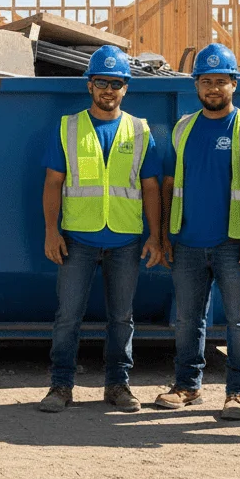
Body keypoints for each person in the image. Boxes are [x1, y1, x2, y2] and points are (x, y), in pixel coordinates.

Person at [152, 44, 240, 421]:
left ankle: (238, 392)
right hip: (188, 242)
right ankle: (187, 386)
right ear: (196, 85)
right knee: (188, 319)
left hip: (234, 244)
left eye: (221, 81)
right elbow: (170, 183)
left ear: (234, 84)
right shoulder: (184, 127)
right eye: (207, 81)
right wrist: (164, 235)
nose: (214, 88)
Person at [38, 45, 164, 413]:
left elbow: (152, 187)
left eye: (116, 83)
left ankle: (118, 386)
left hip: (126, 240)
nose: (108, 90)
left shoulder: (140, 131)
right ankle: (60, 386)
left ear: (126, 87)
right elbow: (53, 182)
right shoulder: (68, 126)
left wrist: (155, 236)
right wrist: (51, 230)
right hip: (77, 238)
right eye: (101, 83)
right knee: (67, 317)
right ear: (89, 85)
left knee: (121, 318)